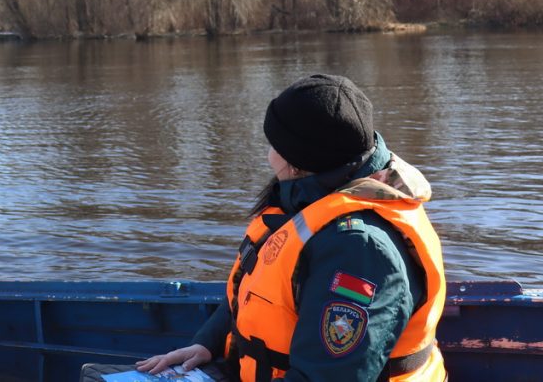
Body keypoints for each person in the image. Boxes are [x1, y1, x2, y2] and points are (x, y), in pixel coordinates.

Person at [136, 74, 447, 381]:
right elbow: (255, 294)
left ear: (297, 162)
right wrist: (206, 343)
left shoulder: (360, 249)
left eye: (274, 145)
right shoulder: (312, 197)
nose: (268, 155)